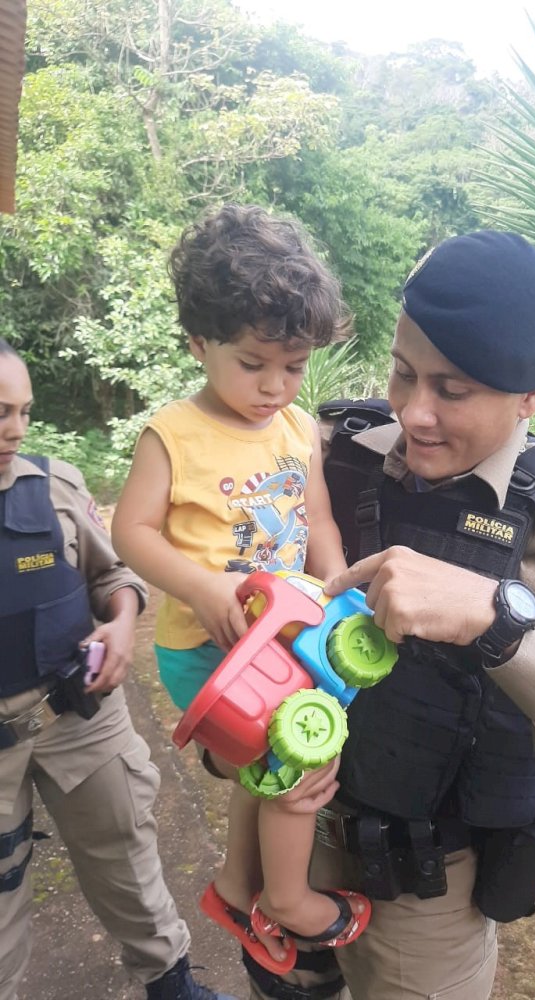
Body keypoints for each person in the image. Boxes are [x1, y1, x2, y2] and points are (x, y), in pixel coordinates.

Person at [237, 230, 535, 1000]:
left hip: (422, 897)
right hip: (279, 834)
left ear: (532, 398)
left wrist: (503, 622)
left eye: (452, 391)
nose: (415, 412)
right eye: (402, 373)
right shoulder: (334, 452)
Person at [111, 204, 369, 977]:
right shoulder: (174, 433)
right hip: (210, 647)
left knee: (268, 761)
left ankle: (232, 887)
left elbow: (315, 516)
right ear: (199, 343)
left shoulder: (295, 428)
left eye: (294, 366)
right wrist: (203, 584)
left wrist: (332, 587)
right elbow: (131, 533)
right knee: (294, 755)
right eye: (254, 363)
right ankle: (286, 899)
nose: (274, 385)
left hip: (286, 631)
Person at [0, 339, 235, 1000]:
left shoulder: (54, 486)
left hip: (78, 712)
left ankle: (172, 983)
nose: (14, 429)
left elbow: (114, 574)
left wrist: (123, 620)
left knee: (126, 855)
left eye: (22, 411)